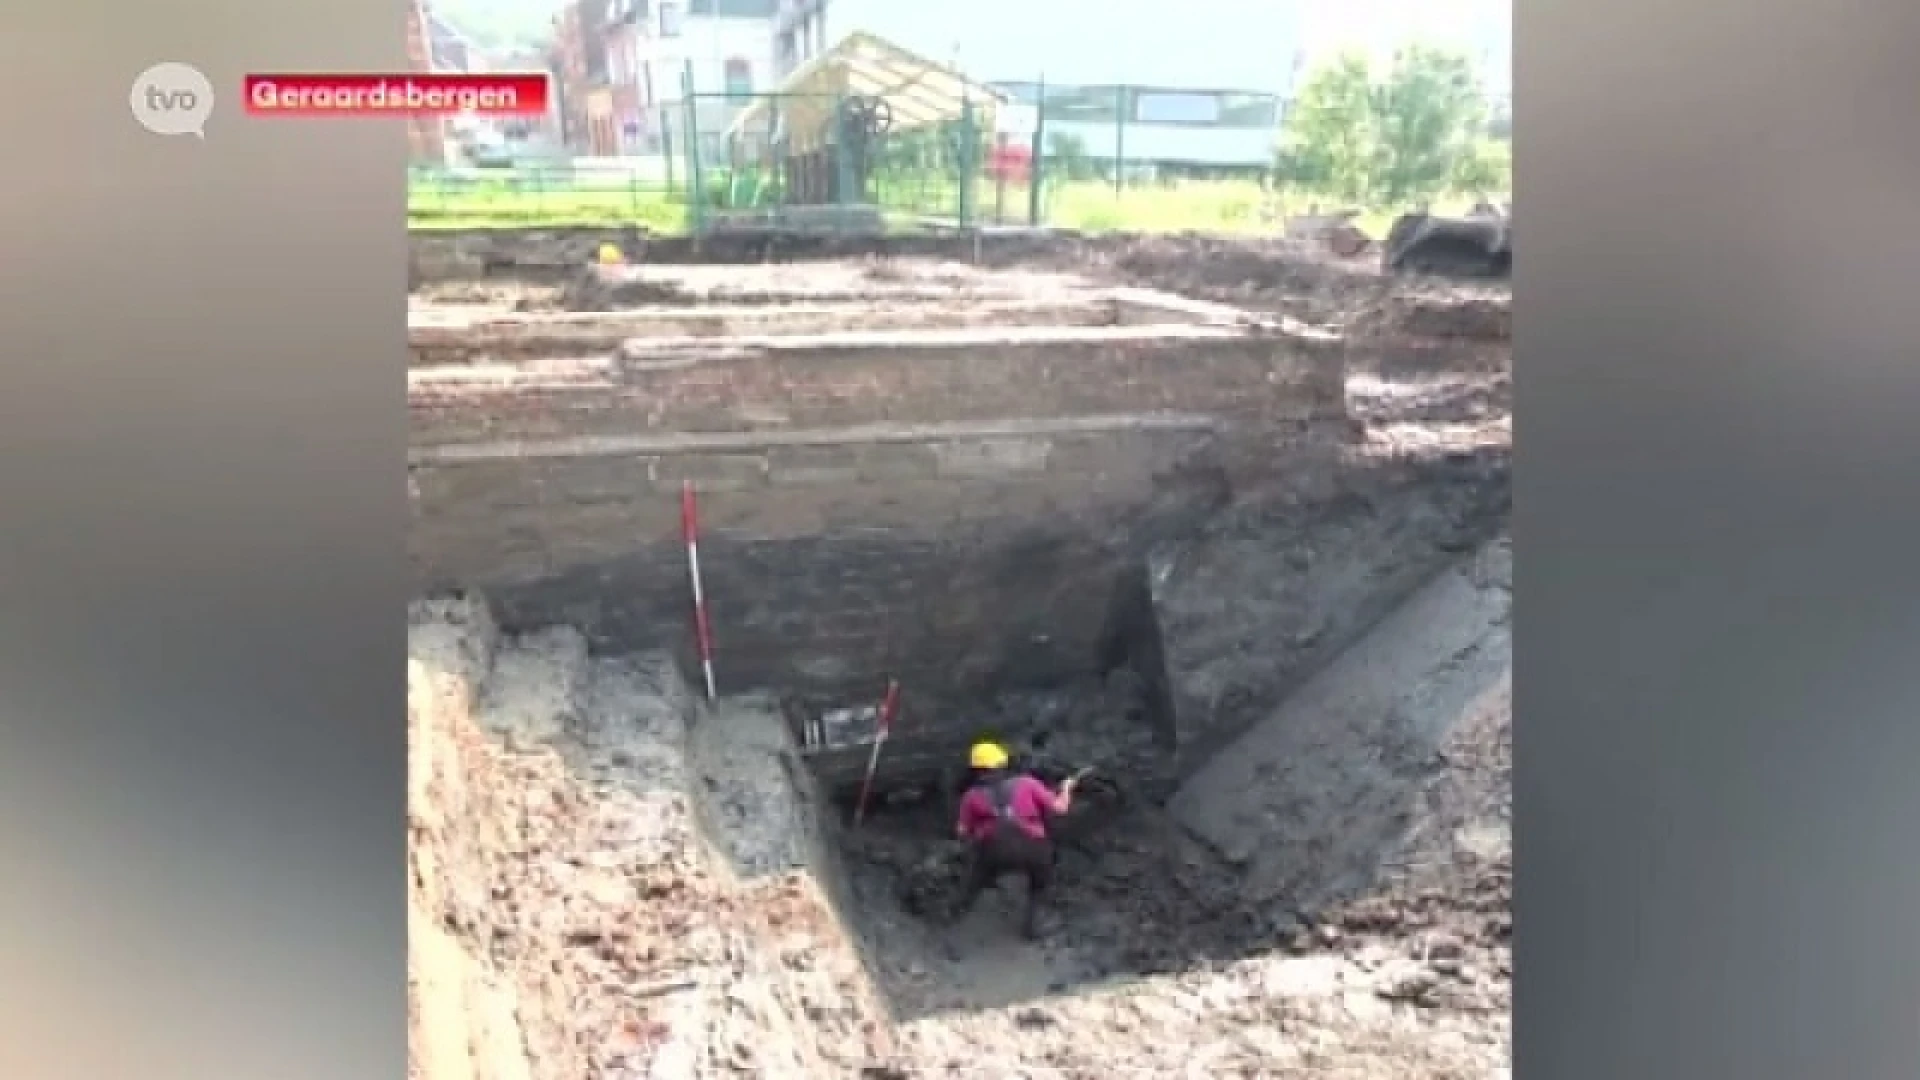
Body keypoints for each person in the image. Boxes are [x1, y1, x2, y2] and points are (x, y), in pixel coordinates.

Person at [951, 740, 1078, 939]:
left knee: (975, 878)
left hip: (995, 853)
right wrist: (1067, 789)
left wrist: (977, 835)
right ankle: (1032, 926)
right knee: (1039, 882)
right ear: (1002, 764)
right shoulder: (1027, 783)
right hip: (1034, 850)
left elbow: (961, 831)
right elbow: (1059, 809)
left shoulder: (971, 797)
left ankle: (956, 912)